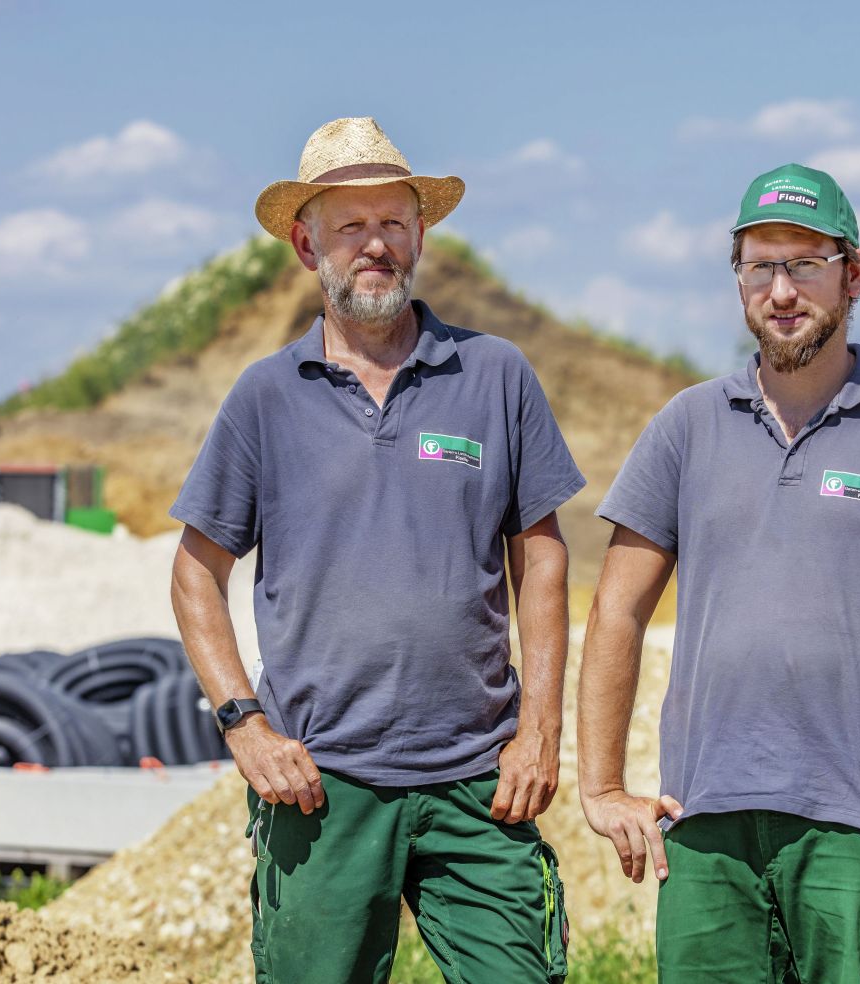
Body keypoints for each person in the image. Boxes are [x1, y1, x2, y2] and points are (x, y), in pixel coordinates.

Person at [577, 163, 860, 982]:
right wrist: (603, 784)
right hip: (706, 825)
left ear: (853, 273)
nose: (781, 290)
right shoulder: (687, 426)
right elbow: (616, 609)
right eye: (760, 265)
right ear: (739, 277)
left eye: (805, 264)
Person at [169, 117, 582, 984]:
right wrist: (244, 726)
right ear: (304, 241)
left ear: (421, 233)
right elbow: (196, 575)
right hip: (320, 789)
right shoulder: (264, 398)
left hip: (480, 784)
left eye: (392, 222)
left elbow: (542, 558)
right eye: (350, 225)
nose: (375, 245)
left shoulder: (496, 374)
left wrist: (540, 728)